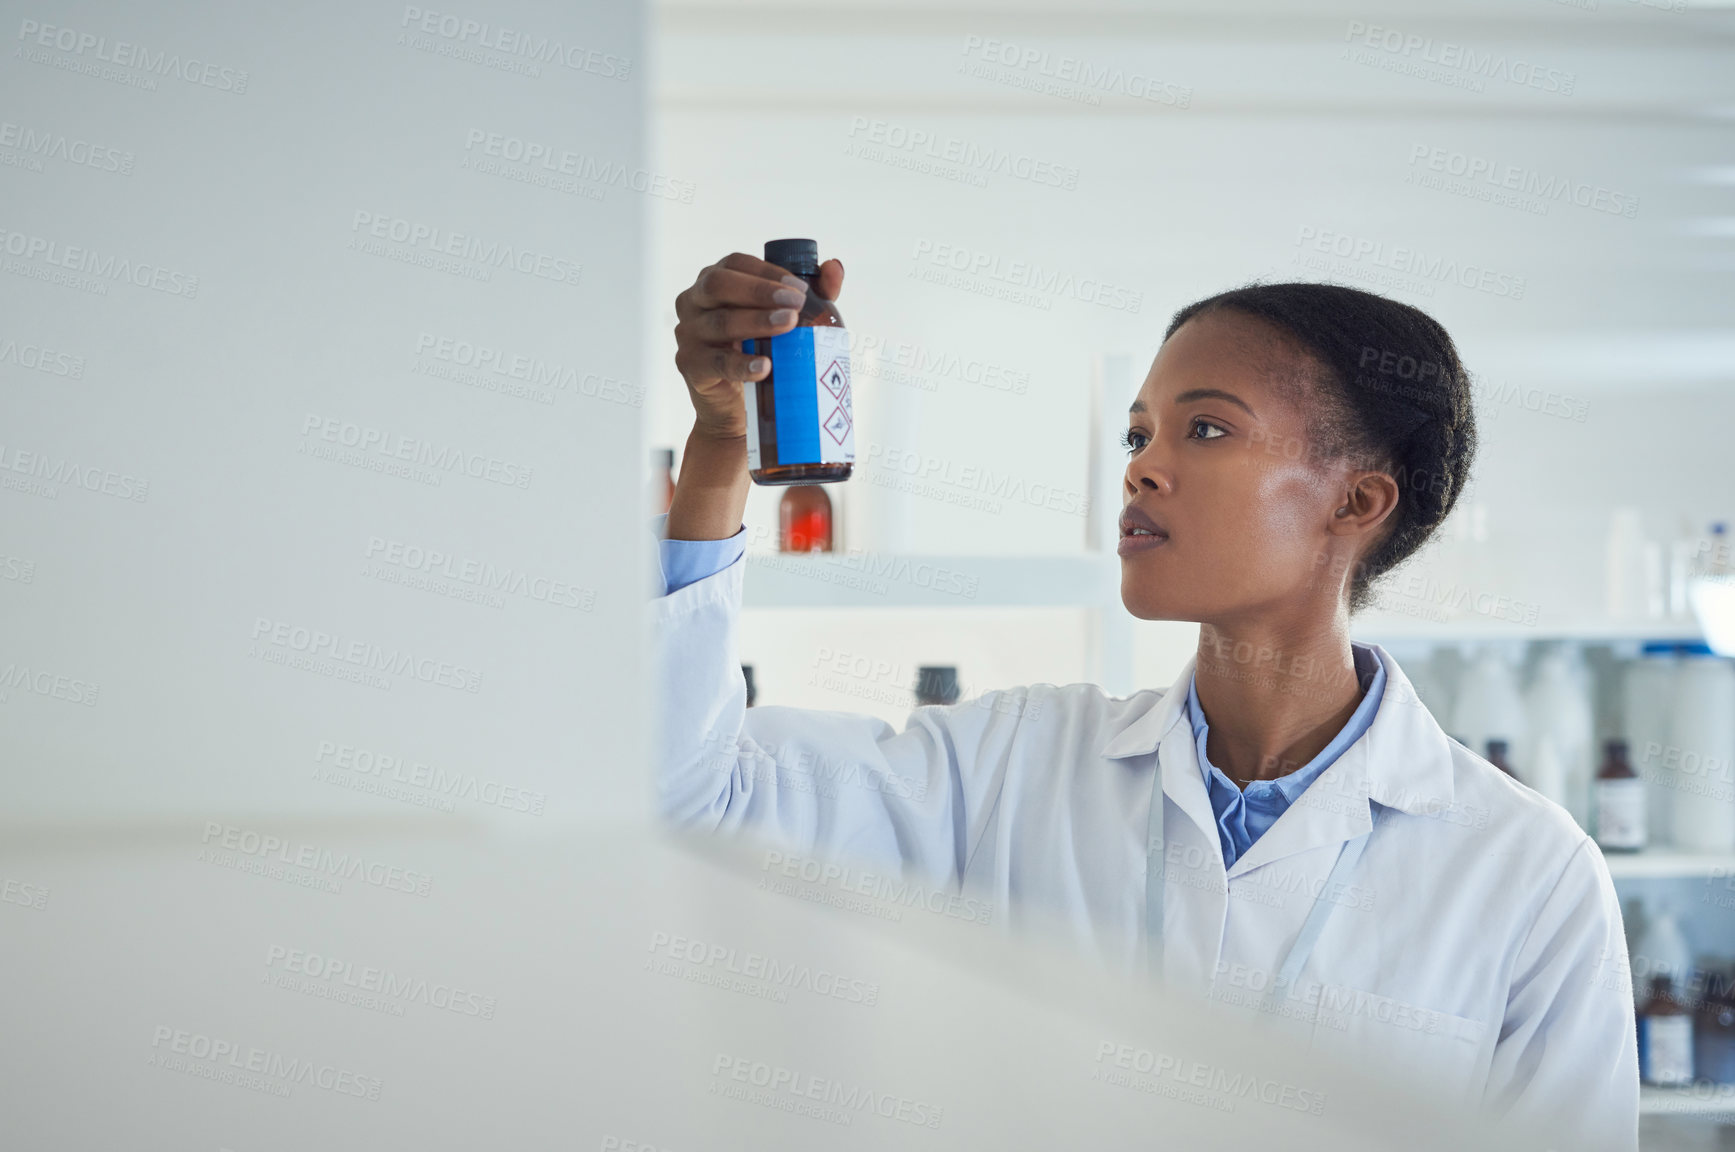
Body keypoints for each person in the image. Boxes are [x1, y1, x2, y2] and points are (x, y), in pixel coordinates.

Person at [647, 252, 1639, 1150]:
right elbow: (684, 806)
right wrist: (723, 444)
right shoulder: (1008, 763)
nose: (1141, 467)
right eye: (1138, 432)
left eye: (1204, 428)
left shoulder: (1527, 871)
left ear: (1357, 502)